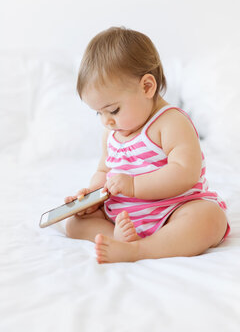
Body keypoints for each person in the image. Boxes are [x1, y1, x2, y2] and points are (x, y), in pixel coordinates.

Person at [64, 26, 230, 264]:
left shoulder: (171, 122)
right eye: (98, 113)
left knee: (209, 218)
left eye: (113, 110)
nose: (106, 121)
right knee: (74, 224)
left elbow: (185, 172)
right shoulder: (111, 133)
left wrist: (133, 185)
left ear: (147, 87)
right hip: (124, 216)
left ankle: (139, 250)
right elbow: (103, 171)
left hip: (172, 210)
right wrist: (92, 197)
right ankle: (118, 239)